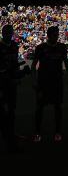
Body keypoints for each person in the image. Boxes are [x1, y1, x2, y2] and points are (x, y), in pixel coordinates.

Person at [31, 26, 68, 143]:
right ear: (49, 35)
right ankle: (37, 133)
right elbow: (33, 65)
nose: (56, 36)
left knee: (58, 107)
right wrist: (34, 80)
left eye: (57, 34)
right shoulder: (41, 48)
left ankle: (58, 132)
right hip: (43, 82)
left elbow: (67, 63)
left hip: (57, 82)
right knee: (40, 108)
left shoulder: (61, 47)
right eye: (54, 34)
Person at [0, 24, 28, 152]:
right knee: (3, 112)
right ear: (3, 33)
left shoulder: (14, 46)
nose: (9, 35)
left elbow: (15, 65)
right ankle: (8, 138)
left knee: (11, 111)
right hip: (1, 83)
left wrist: (18, 75)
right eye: (7, 32)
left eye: (10, 32)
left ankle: (10, 135)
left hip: (11, 83)